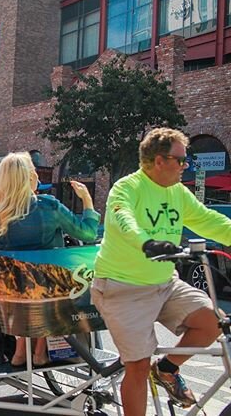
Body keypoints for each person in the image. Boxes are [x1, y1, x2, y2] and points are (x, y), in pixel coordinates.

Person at [91, 127, 231, 414]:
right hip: (122, 288)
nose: (185, 165)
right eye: (180, 160)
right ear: (158, 160)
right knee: (138, 365)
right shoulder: (127, 187)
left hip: (165, 283)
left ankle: (166, 370)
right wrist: (147, 243)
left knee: (213, 322)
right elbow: (122, 218)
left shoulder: (178, 192)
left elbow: (208, 220)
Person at [0, 152, 100, 366]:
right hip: (50, 290)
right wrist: (87, 201)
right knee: (51, 277)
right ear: (29, 176)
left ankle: (20, 351)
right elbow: (87, 234)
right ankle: (40, 351)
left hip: (13, 292)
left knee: (22, 281)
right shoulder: (48, 206)